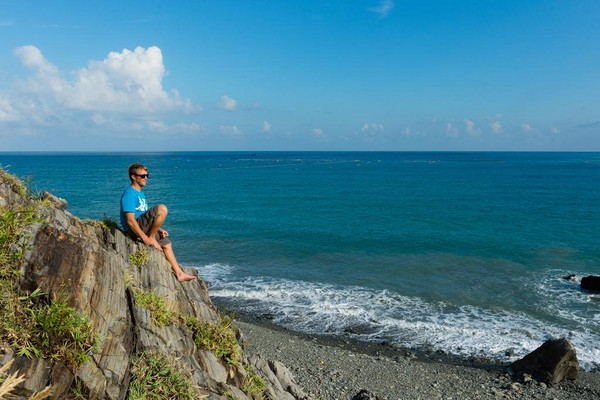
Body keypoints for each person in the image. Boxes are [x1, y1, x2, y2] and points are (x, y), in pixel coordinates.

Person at [120, 163, 196, 282]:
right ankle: (152, 237)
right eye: (142, 175)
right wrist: (147, 238)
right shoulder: (129, 193)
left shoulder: (140, 193)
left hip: (141, 226)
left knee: (167, 244)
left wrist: (159, 229)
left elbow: (144, 216)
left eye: (147, 175)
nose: (146, 178)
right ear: (133, 177)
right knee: (162, 208)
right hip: (134, 229)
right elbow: (130, 220)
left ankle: (179, 273)